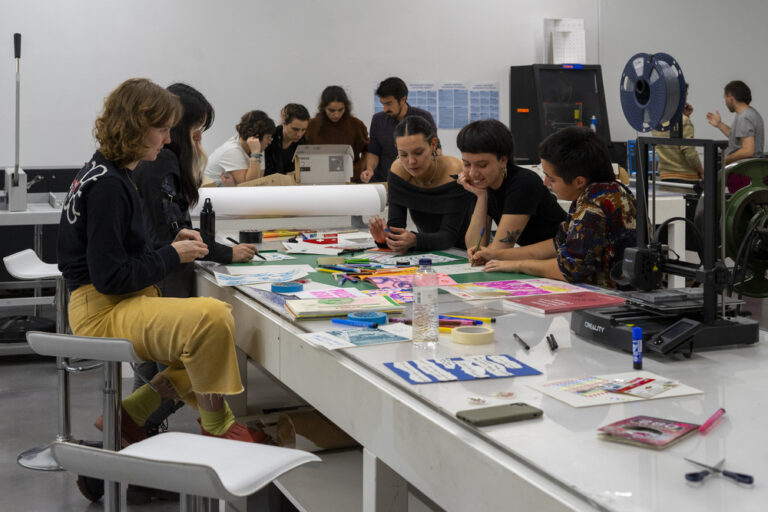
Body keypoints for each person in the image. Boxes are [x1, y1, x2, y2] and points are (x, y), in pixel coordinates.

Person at [57, 78, 268, 447]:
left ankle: (129, 417)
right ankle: (219, 426)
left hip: (105, 301)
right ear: (137, 126)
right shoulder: (109, 186)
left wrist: (167, 245)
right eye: (163, 129)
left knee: (208, 342)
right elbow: (110, 277)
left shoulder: (107, 172)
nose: (169, 139)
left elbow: (120, 252)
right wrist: (171, 255)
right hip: (100, 310)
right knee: (212, 320)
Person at [131, 83, 258, 432]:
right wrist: (228, 252)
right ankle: (133, 428)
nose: (199, 138)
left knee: (152, 366)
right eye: (196, 129)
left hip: (152, 273)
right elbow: (177, 232)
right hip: (163, 274)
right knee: (177, 369)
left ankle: (130, 436)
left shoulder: (156, 160)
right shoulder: (163, 162)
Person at [483, 127, 637, 288]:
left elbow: (568, 269)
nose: (546, 183)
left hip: (615, 294)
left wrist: (518, 265)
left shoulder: (594, 205)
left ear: (579, 181)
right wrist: (497, 255)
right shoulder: (600, 192)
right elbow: (557, 244)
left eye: (551, 179)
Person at [456, 120, 566, 266]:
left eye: (482, 165)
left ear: (503, 160)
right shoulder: (484, 185)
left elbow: (499, 251)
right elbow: (474, 246)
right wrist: (481, 196)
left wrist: (486, 253)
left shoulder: (523, 182)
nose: (473, 173)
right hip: (536, 261)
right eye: (467, 164)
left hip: (561, 260)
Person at [368, 116, 473, 252]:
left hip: (467, 251)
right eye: (403, 154)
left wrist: (415, 240)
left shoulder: (454, 171)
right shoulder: (398, 171)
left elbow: (449, 236)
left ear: (433, 144)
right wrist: (384, 238)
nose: (411, 161)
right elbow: (395, 228)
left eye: (418, 153)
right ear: (396, 148)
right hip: (433, 251)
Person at [361, 77, 440, 183]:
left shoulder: (423, 117)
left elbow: (436, 150)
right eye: (383, 104)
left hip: (416, 182)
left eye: (389, 104)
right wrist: (369, 169)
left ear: (403, 99)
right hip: (385, 181)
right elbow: (374, 151)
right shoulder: (378, 120)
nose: (385, 109)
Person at [706, 80, 765, 192]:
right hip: (752, 172)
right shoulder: (751, 113)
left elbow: (748, 151)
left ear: (730, 98)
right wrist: (719, 124)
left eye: (725, 98)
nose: (725, 102)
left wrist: (725, 160)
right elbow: (738, 137)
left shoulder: (744, 117)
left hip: (744, 173)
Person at [305, 86, 370, 182]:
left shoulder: (356, 125)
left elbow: (367, 150)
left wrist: (362, 169)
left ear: (346, 107)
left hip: (351, 180)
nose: (336, 115)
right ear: (324, 108)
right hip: (320, 179)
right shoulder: (311, 126)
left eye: (340, 110)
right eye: (331, 110)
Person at [203, 110, 275, 186]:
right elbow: (250, 185)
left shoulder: (258, 148)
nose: (270, 142)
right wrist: (255, 155)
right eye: (268, 137)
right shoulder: (232, 150)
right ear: (256, 136)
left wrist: (256, 154)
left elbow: (259, 181)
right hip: (209, 190)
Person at [651, 85, 703, 183]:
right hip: (686, 177)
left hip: (665, 176)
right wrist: (702, 172)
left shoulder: (656, 122)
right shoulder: (684, 121)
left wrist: (684, 115)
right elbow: (689, 152)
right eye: (685, 94)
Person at [264, 103, 309, 178]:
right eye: (295, 129)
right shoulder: (268, 141)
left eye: (303, 129)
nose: (299, 134)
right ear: (284, 123)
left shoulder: (303, 142)